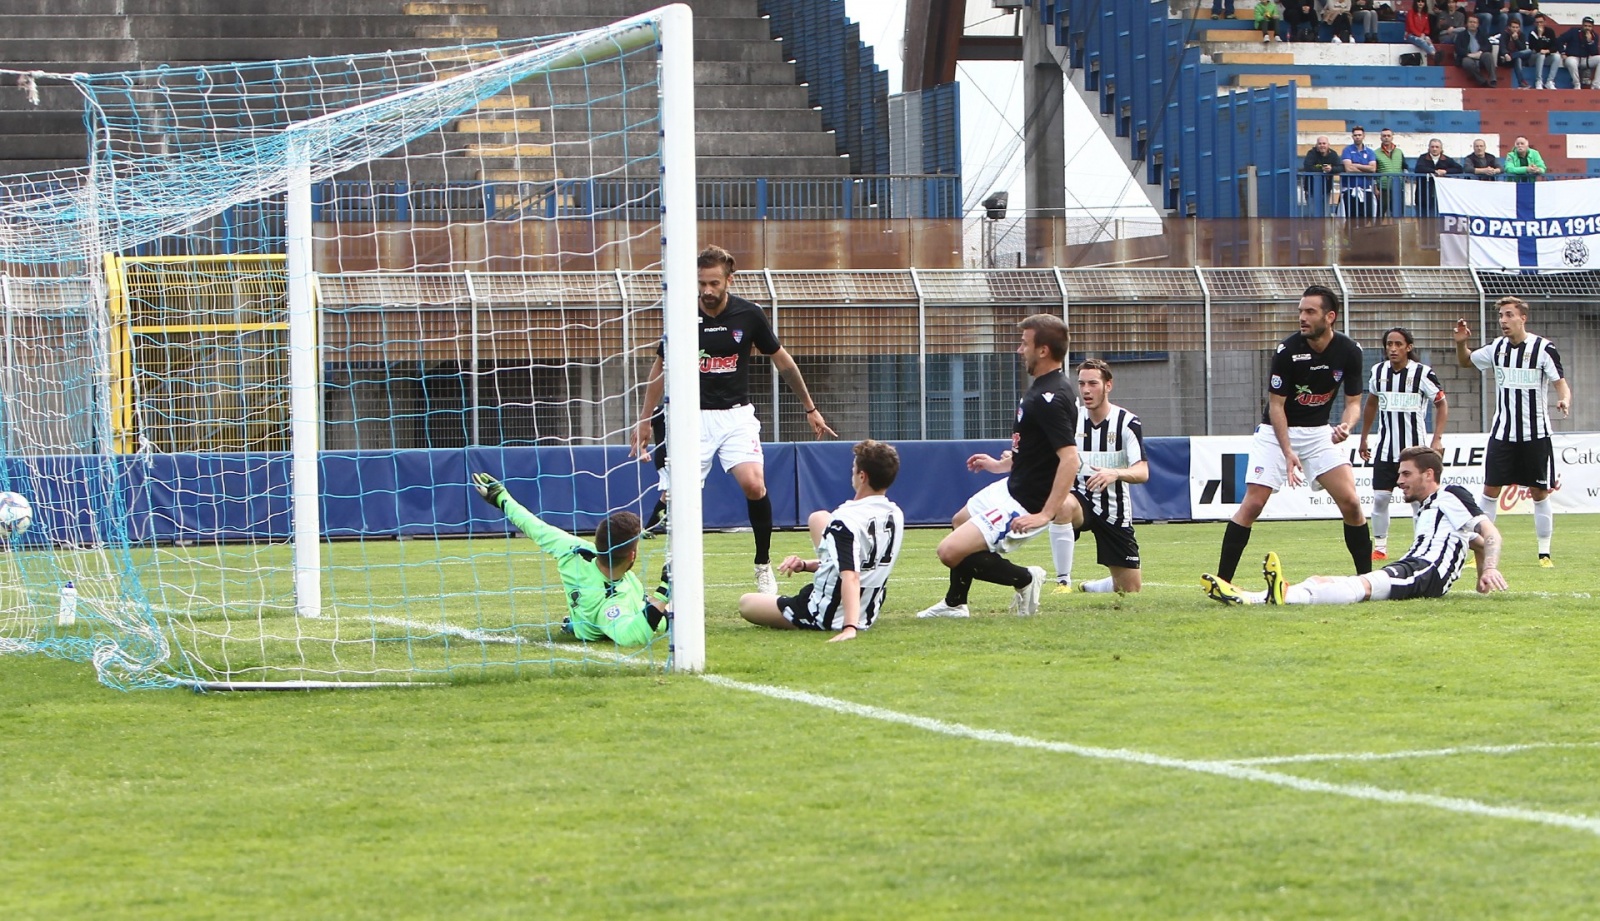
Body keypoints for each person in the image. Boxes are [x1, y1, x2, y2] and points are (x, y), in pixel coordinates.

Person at [631, 245, 836, 596]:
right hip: (689, 418)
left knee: (754, 485)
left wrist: (810, 407)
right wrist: (644, 419)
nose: (707, 291)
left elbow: (783, 361)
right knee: (679, 497)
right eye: (701, 284)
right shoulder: (681, 314)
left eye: (714, 283)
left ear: (729, 279)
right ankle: (672, 574)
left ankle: (762, 565)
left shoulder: (749, 315)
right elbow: (660, 368)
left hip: (736, 416)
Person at [916, 314, 1077, 619]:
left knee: (948, 552)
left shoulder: (1049, 397)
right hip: (1011, 486)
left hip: (1024, 501)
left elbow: (1069, 458)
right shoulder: (1044, 389)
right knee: (960, 520)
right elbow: (1037, 450)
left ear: (1043, 350)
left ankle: (1025, 578)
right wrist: (1000, 464)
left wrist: (1044, 513)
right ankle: (955, 604)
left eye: (1024, 343)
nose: (1020, 350)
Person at [1203, 447, 1507, 605]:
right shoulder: (1430, 508)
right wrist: (1482, 582)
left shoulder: (1450, 495)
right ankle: (1259, 596)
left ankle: (1265, 597)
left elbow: (1489, 534)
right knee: (1325, 580)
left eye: (1405, 474)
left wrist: (1490, 569)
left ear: (1429, 475)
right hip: (1413, 566)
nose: (1399, 480)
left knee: (1360, 587)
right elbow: (1474, 542)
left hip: (1426, 575)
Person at [1213, 285, 1371, 585]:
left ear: (1330, 316)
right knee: (1254, 504)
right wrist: (1287, 452)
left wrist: (1347, 426)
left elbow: (1353, 404)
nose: (1302, 317)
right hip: (1276, 433)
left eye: (1310, 311)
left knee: (1351, 502)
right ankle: (1222, 582)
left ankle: (1368, 580)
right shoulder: (1288, 351)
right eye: (1300, 311)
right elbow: (1276, 406)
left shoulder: (1350, 351)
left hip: (1318, 434)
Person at [470, 474, 669, 646]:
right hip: (609, 613)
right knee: (665, 620)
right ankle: (580, 625)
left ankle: (577, 624)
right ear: (631, 555)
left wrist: (500, 497)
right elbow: (631, 638)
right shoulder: (612, 605)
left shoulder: (575, 552)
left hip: (598, 605)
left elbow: (533, 525)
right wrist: (663, 591)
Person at [738, 440, 905, 642]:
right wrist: (805, 565)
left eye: (854, 468)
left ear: (862, 476)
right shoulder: (896, 514)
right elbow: (858, 564)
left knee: (746, 603)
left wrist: (849, 627)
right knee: (819, 518)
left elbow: (850, 575)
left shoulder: (845, 519)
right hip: (868, 612)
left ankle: (833, 615)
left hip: (828, 613)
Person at [1454, 297, 1572, 566]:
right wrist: (1461, 343)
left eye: (1509, 315)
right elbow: (1466, 362)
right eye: (1501, 316)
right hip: (1503, 434)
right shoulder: (1497, 348)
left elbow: (1561, 384)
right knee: (1490, 490)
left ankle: (1544, 553)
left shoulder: (1543, 349)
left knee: (1539, 493)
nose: (1503, 321)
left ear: (1522, 318)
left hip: (1536, 434)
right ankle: (1481, 548)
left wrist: (1564, 400)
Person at [1050, 359, 1147, 594]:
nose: (1086, 390)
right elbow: (1044, 452)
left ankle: (1092, 587)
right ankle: (1063, 582)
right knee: (1061, 506)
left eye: (1093, 383)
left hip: (1114, 509)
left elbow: (1142, 471)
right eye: (1082, 383)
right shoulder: (1071, 419)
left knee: (1130, 589)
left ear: (1108, 386)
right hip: (1079, 499)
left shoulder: (1127, 422)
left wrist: (1115, 473)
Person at [1358, 327, 1450, 560]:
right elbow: (1371, 404)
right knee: (1380, 498)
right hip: (1386, 450)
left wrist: (1437, 438)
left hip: (1415, 452)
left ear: (1408, 347)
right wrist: (1363, 437)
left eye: (1398, 344)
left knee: (1419, 502)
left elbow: (1441, 403)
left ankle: (1422, 544)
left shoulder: (1422, 373)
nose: (1393, 349)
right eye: (1389, 344)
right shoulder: (1378, 372)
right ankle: (1380, 547)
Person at [1411, 137, 1462, 217]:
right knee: (1422, 220)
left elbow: (1459, 168)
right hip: (1423, 195)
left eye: (1437, 147)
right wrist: (1435, 171)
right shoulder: (1423, 158)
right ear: (1429, 148)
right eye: (1432, 147)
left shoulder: (1447, 159)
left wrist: (1446, 171)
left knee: (1437, 221)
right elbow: (1419, 168)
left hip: (1440, 196)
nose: (1434, 149)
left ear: (1441, 149)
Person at [1340, 126, 1379, 220]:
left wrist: (1356, 165)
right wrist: (1366, 171)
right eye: (1355, 135)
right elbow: (1348, 169)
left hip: (1366, 189)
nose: (1357, 137)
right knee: (1351, 219)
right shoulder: (1347, 150)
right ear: (1352, 136)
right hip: (1350, 190)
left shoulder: (1370, 152)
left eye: (1359, 135)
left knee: (1367, 218)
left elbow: (1373, 169)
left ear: (1363, 136)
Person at [1301, 135, 1342, 216]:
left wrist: (1331, 169)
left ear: (1328, 145)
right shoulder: (1311, 153)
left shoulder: (1333, 154)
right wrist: (1323, 170)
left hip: (1325, 190)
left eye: (1324, 143)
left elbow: (1340, 167)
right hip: (1311, 189)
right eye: (1319, 143)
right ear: (1316, 145)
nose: (1322, 145)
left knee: (1325, 214)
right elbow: (1307, 166)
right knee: (1312, 214)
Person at [1454, 14, 1500, 86]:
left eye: (1474, 22)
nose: (1472, 24)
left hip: (1480, 56)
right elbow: (1458, 49)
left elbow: (1489, 47)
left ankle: (1493, 79)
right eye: (1470, 22)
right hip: (1468, 57)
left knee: (1488, 55)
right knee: (1467, 62)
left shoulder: (1483, 34)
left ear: (1478, 24)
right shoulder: (1461, 35)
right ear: (1467, 24)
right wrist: (1468, 54)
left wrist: (1480, 52)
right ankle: (1482, 81)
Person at [1374, 128, 1406, 217]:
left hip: (1397, 187)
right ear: (1380, 138)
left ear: (1392, 137)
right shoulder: (1375, 153)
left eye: (1388, 136)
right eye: (1384, 136)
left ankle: (1397, 231)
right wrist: (1375, 188)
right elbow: (1373, 171)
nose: (1386, 138)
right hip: (1383, 188)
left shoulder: (1399, 152)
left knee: (1398, 214)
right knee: (1380, 214)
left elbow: (1404, 166)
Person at [1561, 16, 1600, 89]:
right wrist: (1563, 53)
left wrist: (1590, 42)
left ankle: (1596, 84)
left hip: (1585, 59)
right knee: (1571, 61)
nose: (1587, 28)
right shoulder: (1574, 31)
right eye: (1585, 26)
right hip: (1572, 58)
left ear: (1592, 27)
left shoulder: (1595, 36)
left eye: (1589, 26)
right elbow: (1559, 40)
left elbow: (1594, 52)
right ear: (1582, 25)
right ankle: (1577, 84)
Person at [1498, 19, 1535, 88]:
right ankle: (1521, 82)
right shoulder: (1504, 34)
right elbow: (1502, 47)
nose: (1515, 29)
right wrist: (1506, 54)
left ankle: (1521, 83)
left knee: (1528, 52)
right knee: (1518, 58)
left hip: (1514, 58)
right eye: (1513, 27)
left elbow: (1523, 49)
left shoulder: (1521, 35)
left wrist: (1516, 40)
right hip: (1504, 59)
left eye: (1517, 27)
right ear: (1509, 27)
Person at [1529, 13, 1563, 88]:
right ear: (1535, 23)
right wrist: (1540, 35)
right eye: (1537, 22)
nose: (1539, 24)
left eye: (1541, 22)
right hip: (1534, 58)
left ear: (1545, 22)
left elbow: (1555, 47)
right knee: (1541, 55)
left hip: (1546, 56)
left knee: (1557, 56)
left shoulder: (1550, 32)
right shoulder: (1533, 33)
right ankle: (1538, 81)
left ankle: (1550, 81)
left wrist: (1547, 51)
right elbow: (1536, 49)